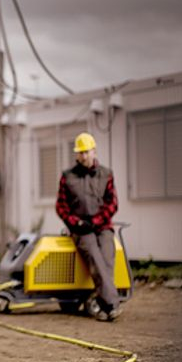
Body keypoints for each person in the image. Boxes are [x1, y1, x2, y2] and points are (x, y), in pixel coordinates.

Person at [55, 132, 121, 321]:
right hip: (81, 229)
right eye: (80, 152)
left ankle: (99, 301)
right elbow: (61, 206)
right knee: (94, 256)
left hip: (102, 226)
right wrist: (77, 223)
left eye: (86, 152)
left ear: (94, 151)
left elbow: (112, 203)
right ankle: (111, 305)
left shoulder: (106, 174)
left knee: (107, 258)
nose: (83, 156)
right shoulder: (67, 177)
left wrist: (97, 221)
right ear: (76, 154)